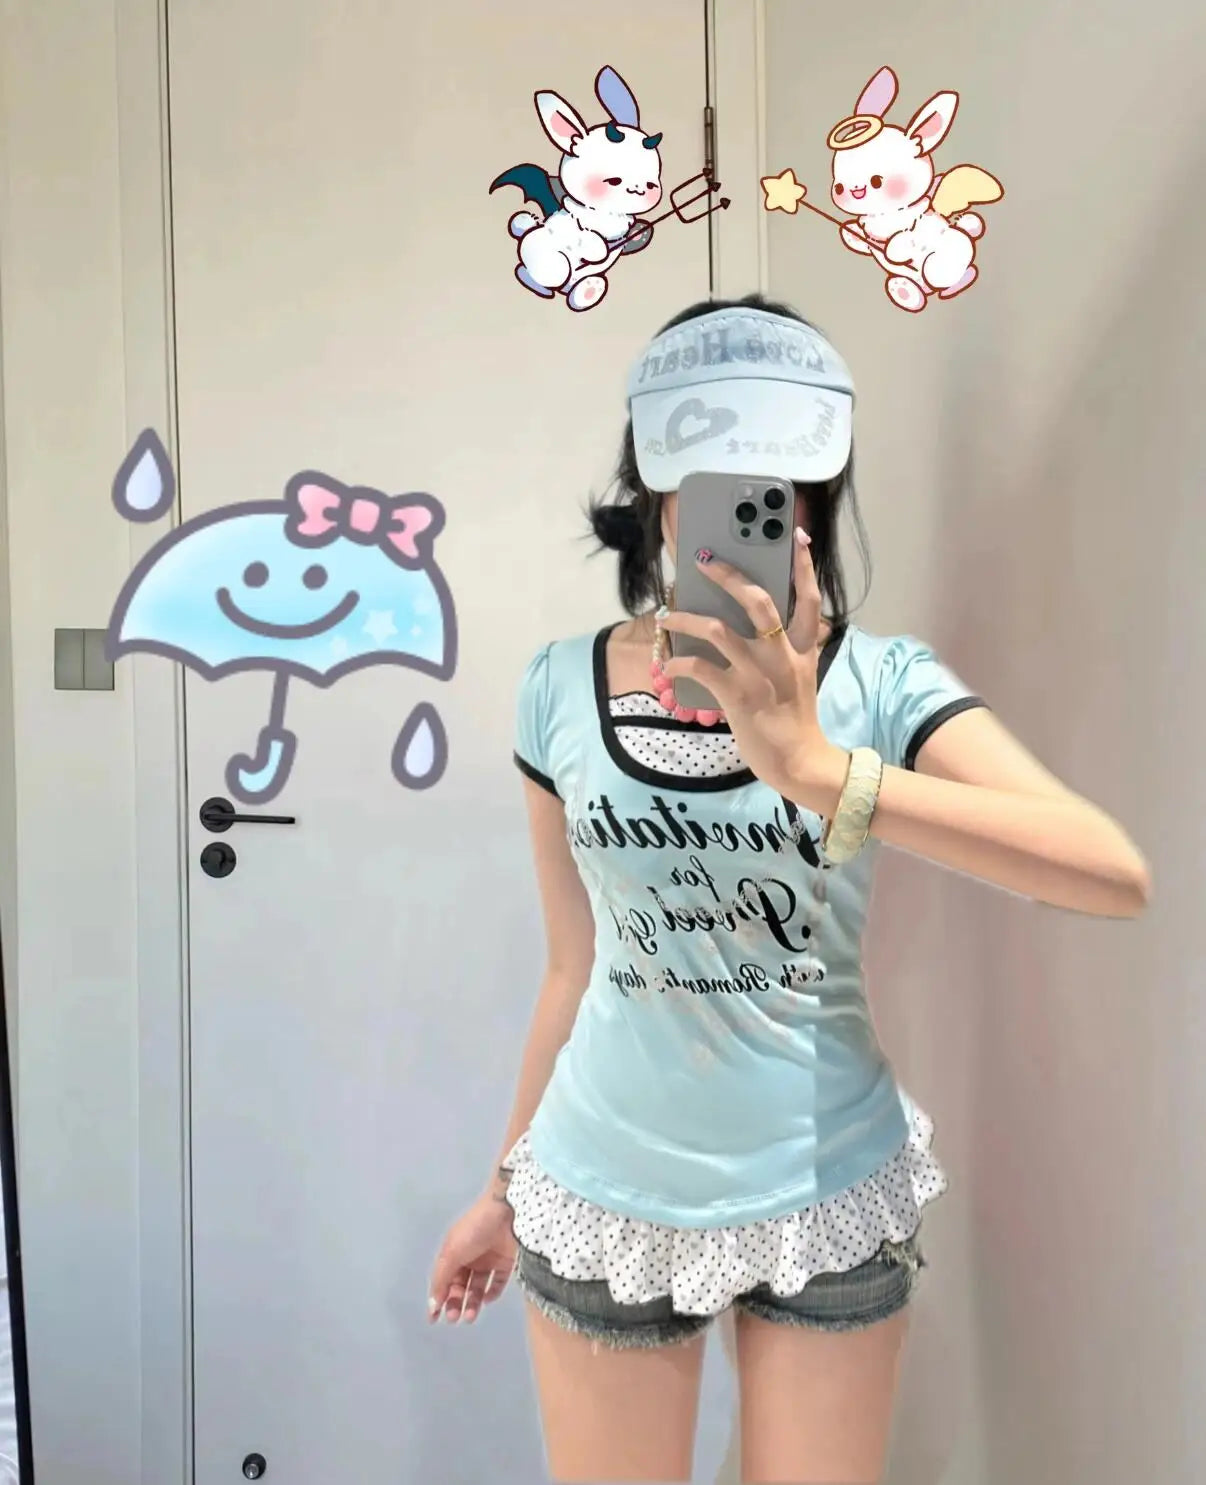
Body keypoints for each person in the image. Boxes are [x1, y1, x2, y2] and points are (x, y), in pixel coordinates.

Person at [427, 294, 1151, 1484]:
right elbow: (574, 966)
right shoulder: (557, 687)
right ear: (653, 487)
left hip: (830, 1192)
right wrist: (503, 1188)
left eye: (781, 486)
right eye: (710, 478)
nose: (746, 513)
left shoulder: (882, 683)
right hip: (603, 1188)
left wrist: (816, 768)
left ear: (816, 501)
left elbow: (1107, 872)